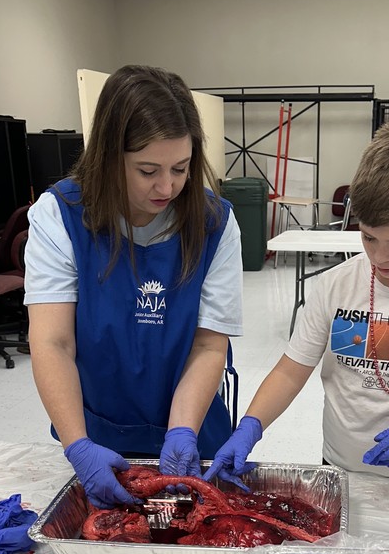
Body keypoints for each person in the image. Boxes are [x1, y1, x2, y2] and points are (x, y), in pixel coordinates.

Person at [204, 122, 389, 488]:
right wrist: (250, 425)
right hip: (340, 467)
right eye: (368, 236)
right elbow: (291, 371)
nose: (380, 256)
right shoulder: (336, 285)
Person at [24, 65, 243, 508]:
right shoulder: (61, 216)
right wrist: (78, 447)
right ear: (109, 158)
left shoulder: (214, 223)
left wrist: (182, 429)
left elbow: (207, 346)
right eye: (147, 170)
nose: (167, 186)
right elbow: (53, 342)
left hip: (191, 429)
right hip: (98, 435)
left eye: (180, 168)